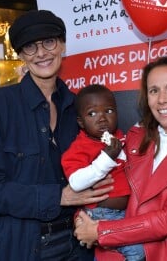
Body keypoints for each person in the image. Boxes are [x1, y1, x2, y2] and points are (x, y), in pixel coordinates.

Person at [0, 9, 113, 261]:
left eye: (49, 42)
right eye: (30, 46)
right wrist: (58, 196)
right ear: (20, 55)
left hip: (79, 244)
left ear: (62, 46)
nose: (41, 53)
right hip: (22, 246)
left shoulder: (79, 107)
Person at [74, 56, 167, 261]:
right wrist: (83, 221)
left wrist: (101, 231)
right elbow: (105, 188)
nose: (162, 99)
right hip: (116, 254)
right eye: (154, 90)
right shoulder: (134, 137)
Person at [61, 84, 144, 260]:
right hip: (102, 215)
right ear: (81, 122)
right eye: (92, 113)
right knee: (137, 252)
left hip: (127, 213)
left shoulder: (119, 137)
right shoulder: (81, 147)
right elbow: (76, 182)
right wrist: (106, 160)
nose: (102, 118)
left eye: (109, 110)